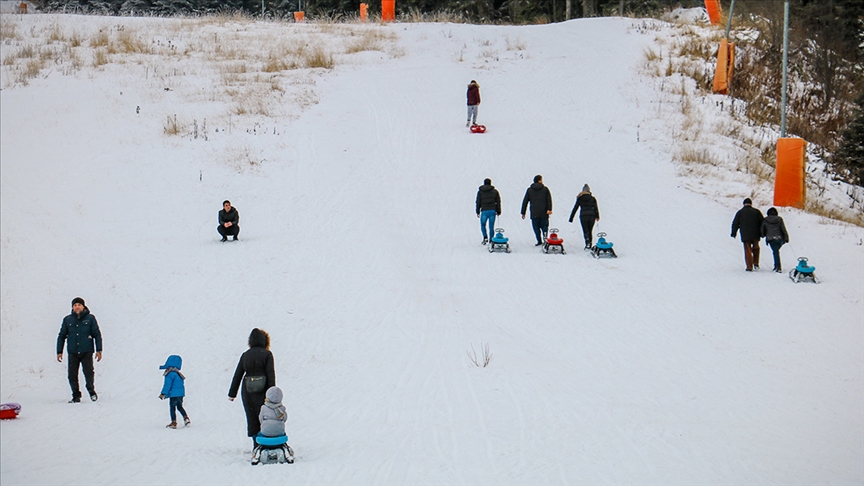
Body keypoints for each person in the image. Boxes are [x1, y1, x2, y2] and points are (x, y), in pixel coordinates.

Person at [228, 328, 276, 449]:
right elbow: (271, 374)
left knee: (252, 417)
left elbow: (238, 374)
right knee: (265, 416)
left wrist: (232, 393)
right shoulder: (267, 354)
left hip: (247, 392)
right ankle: (266, 442)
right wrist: (272, 394)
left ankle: (256, 444)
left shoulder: (245, 355)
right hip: (263, 391)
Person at [56, 297, 102, 403]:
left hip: (86, 351)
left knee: (89, 372)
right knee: (72, 375)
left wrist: (99, 350)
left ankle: (91, 391)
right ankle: (76, 396)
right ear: (72, 307)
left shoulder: (90, 318)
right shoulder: (67, 320)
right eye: (75, 305)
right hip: (73, 352)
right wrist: (59, 351)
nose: (77, 307)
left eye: (79, 305)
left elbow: (97, 334)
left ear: (83, 306)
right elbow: (61, 336)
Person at [731, 197, 764, 271]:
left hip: (745, 234)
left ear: (744, 204)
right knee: (756, 247)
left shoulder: (740, 212)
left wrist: (733, 233)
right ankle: (755, 263)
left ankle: (749, 266)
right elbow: (762, 222)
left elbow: (735, 223)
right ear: (751, 204)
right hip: (756, 234)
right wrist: (763, 233)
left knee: (748, 250)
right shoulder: (756, 211)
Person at [159, 355, 190, 429]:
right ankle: (186, 418)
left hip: (174, 395)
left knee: (172, 408)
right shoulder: (178, 374)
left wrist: (163, 393)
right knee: (180, 406)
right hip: (180, 394)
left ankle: (173, 422)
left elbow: (167, 385)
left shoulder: (170, 374)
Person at [521, 175, 553, 246]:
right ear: (539, 180)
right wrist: (549, 209)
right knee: (544, 226)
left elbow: (525, 201)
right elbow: (549, 200)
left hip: (534, 212)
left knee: (536, 227)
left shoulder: (530, 190)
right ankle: (545, 239)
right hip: (544, 212)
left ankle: (539, 241)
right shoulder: (545, 189)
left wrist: (523, 212)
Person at [568, 184, 600, 250]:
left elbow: (575, 208)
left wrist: (571, 218)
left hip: (583, 216)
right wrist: (597, 216)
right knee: (590, 230)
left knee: (585, 230)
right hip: (591, 216)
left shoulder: (580, 198)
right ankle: (590, 243)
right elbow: (595, 208)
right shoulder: (592, 198)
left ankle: (587, 243)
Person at [761, 207, 790, 273]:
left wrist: (763, 235)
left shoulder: (765, 220)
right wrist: (786, 237)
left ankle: (777, 267)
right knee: (776, 251)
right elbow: (783, 229)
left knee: (775, 251)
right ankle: (777, 266)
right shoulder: (779, 219)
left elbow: (762, 229)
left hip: (771, 238)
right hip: (780, 238)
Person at [475, 178, 501, 245]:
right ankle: (491, 240)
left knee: (483, 225)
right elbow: (498, 201)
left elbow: (478, 202)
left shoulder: (480, 192)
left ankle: (485, 237)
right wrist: (498, 211)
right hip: (492, 210)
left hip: (484, 210)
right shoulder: (495, 191)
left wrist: (477, 211)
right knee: (491, 226)